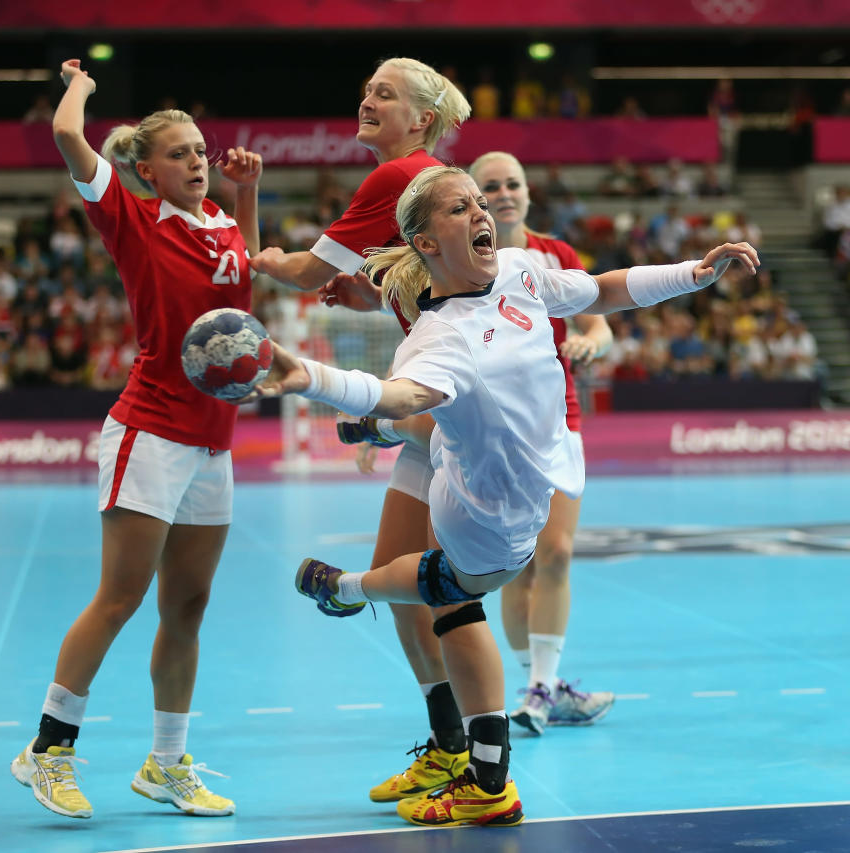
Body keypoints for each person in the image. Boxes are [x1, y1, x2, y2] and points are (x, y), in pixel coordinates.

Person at [246, 165, 759, 827]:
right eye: (460, 207)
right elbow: (403, 390)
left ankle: (348, 586)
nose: (481, 212)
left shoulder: (519, 269)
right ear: (427, 244)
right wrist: (310, 376)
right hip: (480, 511)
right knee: (449, 587)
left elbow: (599, 289)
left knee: (448, 591)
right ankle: (487, 781)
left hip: (504, 487)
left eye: (479, 202)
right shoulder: (437, 337)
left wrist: (695, 271)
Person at [10, 58, 262, 820]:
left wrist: (246, 194)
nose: (196, 161)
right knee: (121, 597)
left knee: (187, 605)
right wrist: (80, 82)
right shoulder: (130, 215)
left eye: (200, 150)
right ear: (146, 168)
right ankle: (45, 751)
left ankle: (164, 764)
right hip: (150, 431)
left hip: (215, 439)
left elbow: (244, 278)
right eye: (180, 153)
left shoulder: (219, 220)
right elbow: (63, 131)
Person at [251, 58, 476, 804]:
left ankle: (484, 760)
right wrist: (374, 290)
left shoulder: (398, 176)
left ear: (421, 120)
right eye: (367, 89)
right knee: (404, 583)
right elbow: (418, 286)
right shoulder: (410, 187)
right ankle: (449, 747)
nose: (367, 98)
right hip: (435, 396)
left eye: (386, 92)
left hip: (457, 408)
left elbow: (303, 272)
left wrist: (258, 249)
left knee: (444, 592)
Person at [467, 151, 614, 734]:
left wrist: (591, 344)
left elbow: (598, 318)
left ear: (528, 192)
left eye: (513, 184)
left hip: (561, 420)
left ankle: (540, 690)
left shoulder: (557, 255)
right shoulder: (459, 262)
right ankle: (541, 686)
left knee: (556, 552)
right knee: (516, 565)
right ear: (474, 198)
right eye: (490, 186)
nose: (504, 194)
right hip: (496, 431)